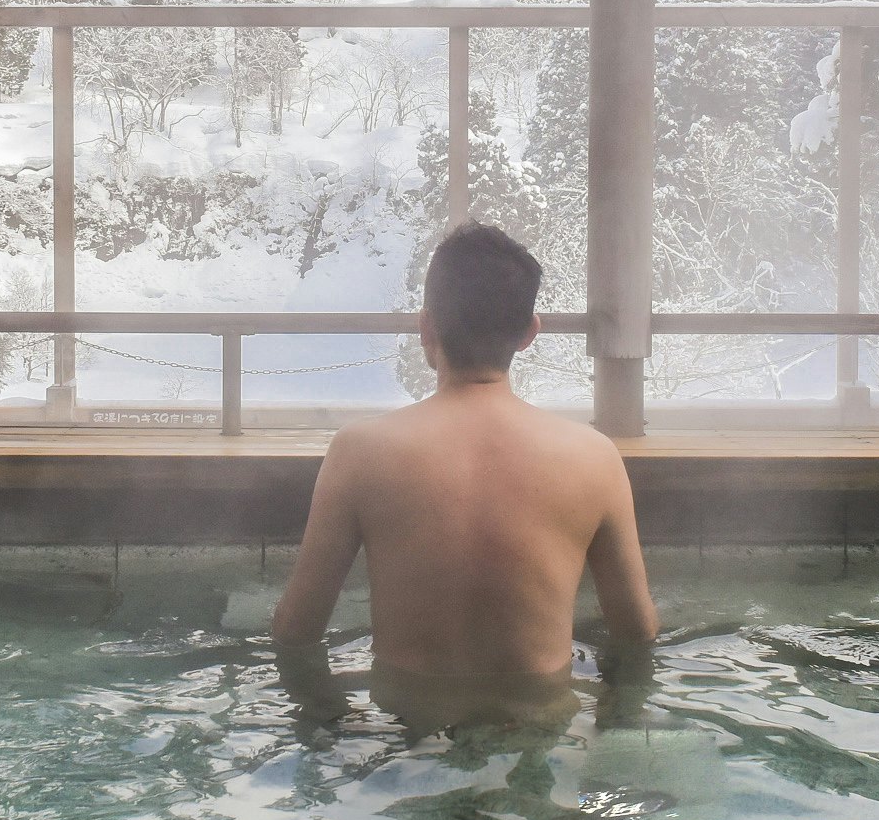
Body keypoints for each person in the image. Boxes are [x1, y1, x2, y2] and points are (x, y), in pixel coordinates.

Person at [271, 222, 657, 726]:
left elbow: (297, 631)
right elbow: (636, 633)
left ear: (427, 327)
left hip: (408, 725)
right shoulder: (593, 457)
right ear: (528, 333)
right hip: (536, 719)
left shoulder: (360, 452)